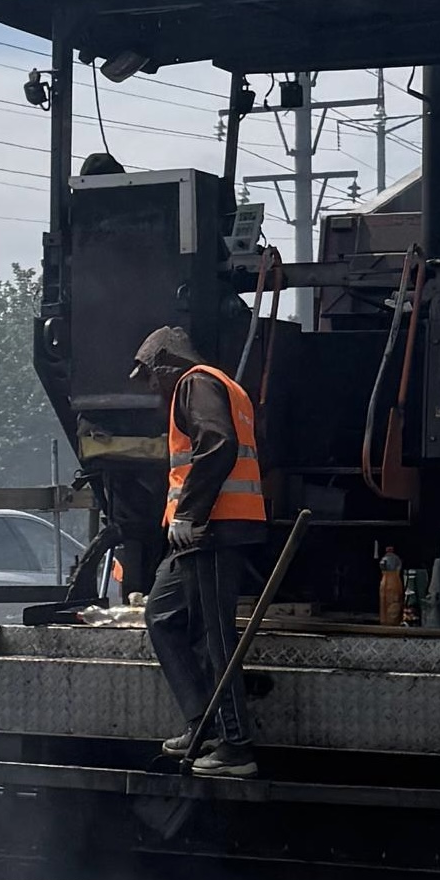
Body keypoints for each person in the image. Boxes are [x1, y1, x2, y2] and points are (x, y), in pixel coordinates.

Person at [128, 325, 267, 779]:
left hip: (211, 529)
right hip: (205, 529)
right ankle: (202, 722)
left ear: (167, 362)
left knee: (213, 634)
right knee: (162, 616)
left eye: (151, 375)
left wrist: (191, 513)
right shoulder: (219, 384)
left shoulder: (196, 382)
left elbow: (218, 444)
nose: (151, 387)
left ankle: (235, 745)